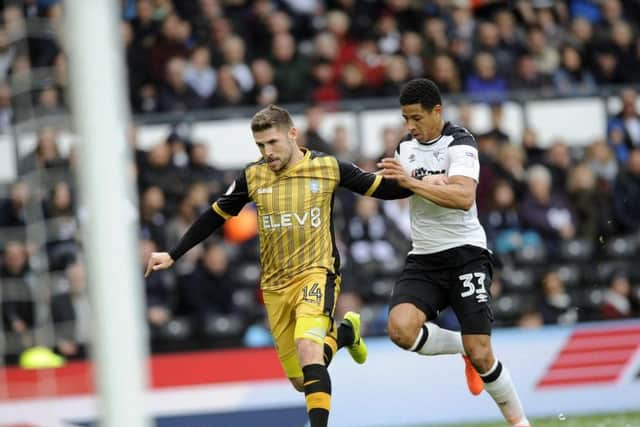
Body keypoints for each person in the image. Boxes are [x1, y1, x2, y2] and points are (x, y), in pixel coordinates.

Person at [145, 104, 411, 427]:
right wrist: (173, 254)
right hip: (274, 287)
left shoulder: (328, 167)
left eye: (272, 143)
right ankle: (344, 334)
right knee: (302, 379)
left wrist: (419, 180)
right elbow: (215, 215)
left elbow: (382, 188)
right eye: (260, 145)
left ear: (293, 134)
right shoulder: (253, 176)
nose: (267, 152)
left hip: (317, 274)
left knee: (308, 348)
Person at [378, 78, 530, 427]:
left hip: (466, 254)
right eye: (405, 119)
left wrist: (415, 183)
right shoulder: (405, 148)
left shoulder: (460, 143)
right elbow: (394, 189)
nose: (410, 126)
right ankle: (460, 346)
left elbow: (463, 198)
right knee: (400, 330)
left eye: (416, 118)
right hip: (425, 257)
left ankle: (520, 423)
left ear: (437, 111)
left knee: (482, 354)